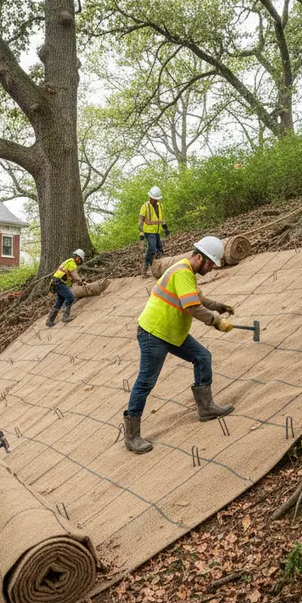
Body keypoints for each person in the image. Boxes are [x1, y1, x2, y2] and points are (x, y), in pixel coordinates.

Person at [123, 236, 236, 454]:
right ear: (198, 257)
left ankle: (206, 408)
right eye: (210, 263)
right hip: (154, 333)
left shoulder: (187, 273)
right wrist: (216, 321)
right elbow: (191, 305)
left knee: (202, 357)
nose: (211, 268)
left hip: (172, 333)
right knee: (146, 381)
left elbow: (198, 299)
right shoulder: (182, 271)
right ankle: (132, 436)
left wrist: (219, 306)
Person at [46, 249, 85, 327]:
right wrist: (80, 280)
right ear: (77, 257)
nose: (79, 262)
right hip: (60, 283)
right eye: (80, 259)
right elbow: (74, 275)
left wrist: (77, 281)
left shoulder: (67, 262)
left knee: (60, 301)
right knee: (70, 297)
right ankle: (65, 316)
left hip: (55, 283)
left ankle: (50, 320)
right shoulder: (72, 263)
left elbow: (69, 276)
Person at [139, 186, 169, 276]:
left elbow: (162, 219)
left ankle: (159, 267)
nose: (156, 201)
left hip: (157, 231)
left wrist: (165, 228)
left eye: (157, 199)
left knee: (160, 249)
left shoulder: (160, 206)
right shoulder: (145, 206)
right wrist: (141, 232)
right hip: (148, 231)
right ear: (150, 197)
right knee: (152, 248)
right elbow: (141, 220)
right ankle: (144, 270)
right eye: (154, 199)